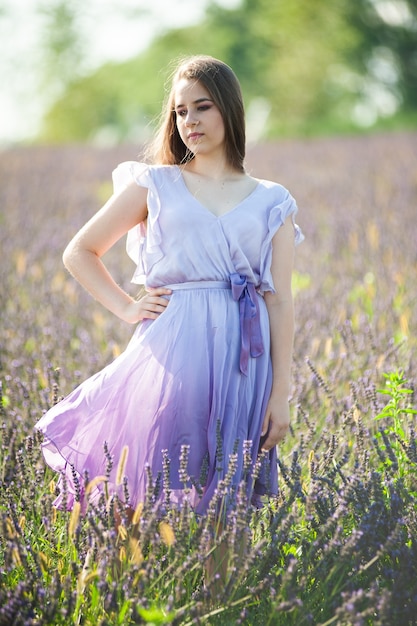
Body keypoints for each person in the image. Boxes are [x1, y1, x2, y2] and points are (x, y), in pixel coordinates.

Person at [35, 55, 303, 525]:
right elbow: (80, 251)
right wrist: (126, 307)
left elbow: (278, 301)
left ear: (229, 110)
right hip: (173, 347)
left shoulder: (272, 199)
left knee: (227, 503)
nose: (190, 121)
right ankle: (146, 590)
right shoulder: (156, 184)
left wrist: (280, 394)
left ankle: (224, 595)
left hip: (245, 358)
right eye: (180, 112)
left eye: (202, 107)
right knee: (148, 481)